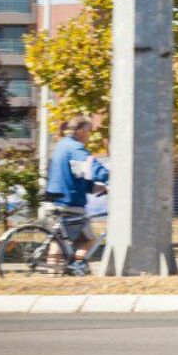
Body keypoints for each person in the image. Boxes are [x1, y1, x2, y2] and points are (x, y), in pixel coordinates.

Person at [45, 116, 109, 275]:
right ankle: (75, 268)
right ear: (80, 131)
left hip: (56, 199)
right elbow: (91, 165)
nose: (89, 136)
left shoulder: (61, 145)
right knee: (89, 239)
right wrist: (109, 176)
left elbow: (77, 174)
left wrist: (95, 188)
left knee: (57, 241)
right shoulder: (75, 148)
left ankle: (52, 275)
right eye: (88, 131)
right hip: (71, 202)